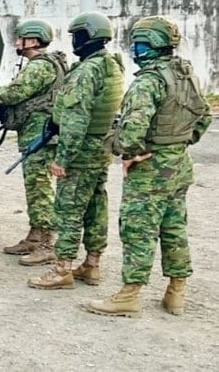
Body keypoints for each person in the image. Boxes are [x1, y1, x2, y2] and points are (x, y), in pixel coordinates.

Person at [86, 16, 211, 317]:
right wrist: (177, 143)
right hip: (179, 164)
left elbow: (130, 135)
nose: (135, 49)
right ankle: (175, 293)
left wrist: (128, 152)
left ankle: (129, 295)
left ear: (153, 45)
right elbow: (203, 116)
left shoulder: (148, 81)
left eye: (140, 43)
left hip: (151, 171)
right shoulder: (185, 73)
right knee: (174, 227)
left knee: (138, 230)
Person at [28, 11, 124, 290]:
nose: (74, 40)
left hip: (80, 149)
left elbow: (75, 118)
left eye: (77, 35)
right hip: (100, 146)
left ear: (88, 36)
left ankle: (62, 269)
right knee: (96, 205)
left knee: (68, 209)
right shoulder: (112, 64)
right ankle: (92, 264)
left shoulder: (86, 71)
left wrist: (63, 158)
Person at [0, 19, 68, 266]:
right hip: (38, 135)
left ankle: (47, 243)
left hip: (40, 137)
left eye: (20, 38)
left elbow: (14, 94)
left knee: (40, 189)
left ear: (33, 41)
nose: (16, 43)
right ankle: (35, 236)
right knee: (34, 187)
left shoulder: (39, 67)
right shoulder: (47, 64)